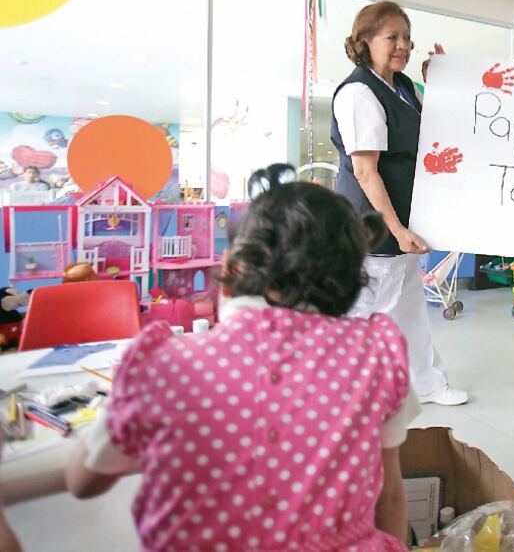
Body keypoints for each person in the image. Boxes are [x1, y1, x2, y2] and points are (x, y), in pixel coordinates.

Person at [65, 179, 420, 551]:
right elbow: (389, 497)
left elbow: (82, 483)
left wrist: (119, 405)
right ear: (351, 281)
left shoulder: (163, 364)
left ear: (231, 269)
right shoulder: (375, 355)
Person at [331, 0, 468, 407]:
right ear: (364, 41)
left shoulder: (403, 88)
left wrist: (438, 84)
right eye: (392, 37)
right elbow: (366, 172)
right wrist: (396, 229)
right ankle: (346, 397)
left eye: (407, 37)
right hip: (373, 227)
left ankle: (427, 384)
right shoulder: (359, 93)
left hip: (404, 221)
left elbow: (431, 138)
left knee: (409, 307)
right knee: (364, 312)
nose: (403, 45)